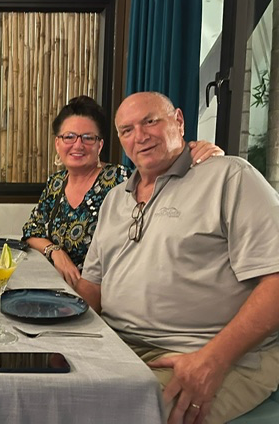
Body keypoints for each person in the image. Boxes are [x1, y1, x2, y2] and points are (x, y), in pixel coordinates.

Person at [77, 91, 279, 424]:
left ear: (179, 121)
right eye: (127, 130)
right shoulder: (115, 199)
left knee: (102, 413)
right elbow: (92, 288)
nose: (140, 136)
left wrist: (213, 360)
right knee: (37, 389)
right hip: (118, 346)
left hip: (206, 354)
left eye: (150, 121)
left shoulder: (229, 177)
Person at [22, 95, 222, 288]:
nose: (78, 145)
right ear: (57, 143)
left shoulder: (121, 179)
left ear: (100, 145)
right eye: (69, 137)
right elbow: (32, 232)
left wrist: (198, 152)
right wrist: (56, 252)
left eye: (88, 138)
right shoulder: (56, 183)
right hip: (58, 285)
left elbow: (165, 178)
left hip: (107, 290)